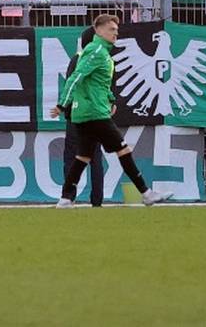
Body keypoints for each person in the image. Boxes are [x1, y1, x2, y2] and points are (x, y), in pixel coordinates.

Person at [50, 14, 168, 208]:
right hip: (94, 112)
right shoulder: (96, 51)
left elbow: (100, 84)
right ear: (98, 30)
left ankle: (65, 198)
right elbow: (76, 78)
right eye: (112, 30)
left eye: (117, 30)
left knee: (83, 157)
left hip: (89, 112)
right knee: (123, 149)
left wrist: (111, 99)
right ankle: (146, 193)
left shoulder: (102, 53)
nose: (116, 34)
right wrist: (62, 105)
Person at [61, 25, 105, 207]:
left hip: (77, 117)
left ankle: (69, 197)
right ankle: (97, 200)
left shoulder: (77, 60)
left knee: (71, 158)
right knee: (95, 158)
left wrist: (66, 110)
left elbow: (70, 87)